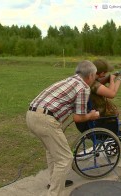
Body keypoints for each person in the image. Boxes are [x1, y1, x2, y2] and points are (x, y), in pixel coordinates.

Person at [26, 60, 100, 196]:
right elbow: (78, 117)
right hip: (45, 119)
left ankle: (54, 181)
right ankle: (54, 193)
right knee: (65, 158)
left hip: (31, 115)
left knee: (52, 152)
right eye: (95, 75)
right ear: (90, 76)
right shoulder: (83, 87)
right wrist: (92, 115)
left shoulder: (71, 80)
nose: (95, 78)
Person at [90, 59, 121, 143]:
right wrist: (111, 79)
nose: (106, 74)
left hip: (98, 122)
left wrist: (119, 78)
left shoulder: (91, 82)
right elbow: (112, 95)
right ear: (102, 73)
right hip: (104, 123)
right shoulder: (94, 85)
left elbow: (112, 92)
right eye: (105, 73)